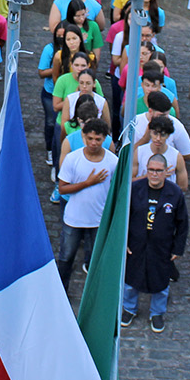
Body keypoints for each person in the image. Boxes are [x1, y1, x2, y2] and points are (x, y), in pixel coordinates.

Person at [124, 152, 189, 332]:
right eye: (151, 170)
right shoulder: (134, 189)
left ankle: (157, 313)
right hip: (136, 244)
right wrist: (125, 242)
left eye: (159, 171)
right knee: (131, 279)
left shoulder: (175, 193)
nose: (154, 174)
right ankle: (129, 309)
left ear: (166, 172)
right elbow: (124, 217)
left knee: (161, 280)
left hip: (162, 247)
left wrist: (178, 248)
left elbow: (182, 223)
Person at [57, 117, 113, 285]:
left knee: (97, 261)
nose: (93, 143)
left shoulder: (113, 162)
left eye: (98, 139)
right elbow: (62, 188)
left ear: (104, 139)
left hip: (99, 220)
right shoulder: (72, 159)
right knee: (66, 257)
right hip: (74, 218)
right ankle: (62, 292)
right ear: (83, 137)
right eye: (90, 138)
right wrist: (87, 183)